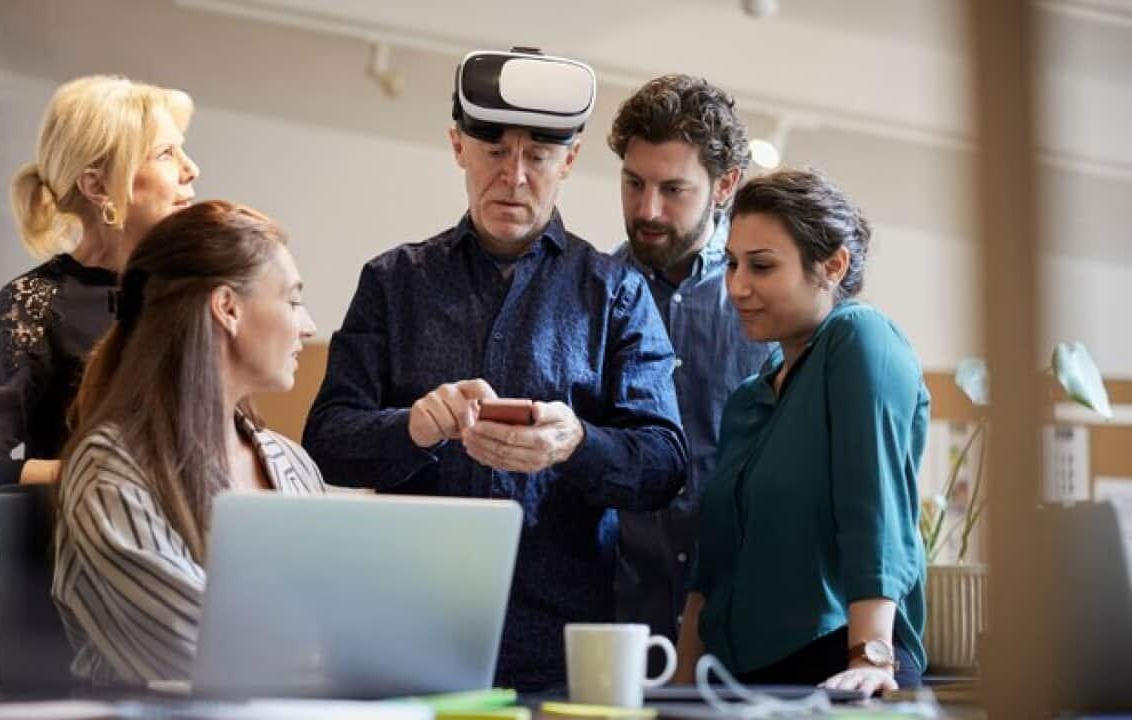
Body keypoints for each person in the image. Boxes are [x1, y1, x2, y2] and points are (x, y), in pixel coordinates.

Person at [302, 48, 687, 690]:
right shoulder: (392, 283)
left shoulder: (615, 293)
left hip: (562, 651)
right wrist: (414, 428)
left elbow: (664, 464)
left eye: (537, 156)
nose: (513, 177)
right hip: (406, 636)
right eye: (494, 152)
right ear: (458, 146)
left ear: (569, 160)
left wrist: (577, 443)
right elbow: (325, 443)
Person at [674, 169, 928, 694]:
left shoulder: (859, 339)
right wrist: (675, 688)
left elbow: (873, 506)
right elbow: (711, 569)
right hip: (737, 680)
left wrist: (871, 660)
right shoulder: (748, 397)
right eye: (732, 264)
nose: (737, 287)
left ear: (833, 265)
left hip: (838, 663)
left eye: (762, 266)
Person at [53, 200, 325, 685]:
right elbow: (202, 654)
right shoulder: (109, 473)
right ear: (227, 308)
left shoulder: (293, 462)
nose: (308, 326)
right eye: (293, 299)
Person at [0, 74, 200, 494]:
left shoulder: (189, 295)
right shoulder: (32, 305)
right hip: (74, 551)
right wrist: (96, 477)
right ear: (96, 186)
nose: (190, 168)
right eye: (166, 153)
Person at [607, 75, 774, 648]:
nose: (646, 209)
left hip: (747, 620)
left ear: (725, 185)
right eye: (633, 183)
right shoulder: (593, 296)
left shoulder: (772, 303)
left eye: (673, 190)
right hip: (620, 617)